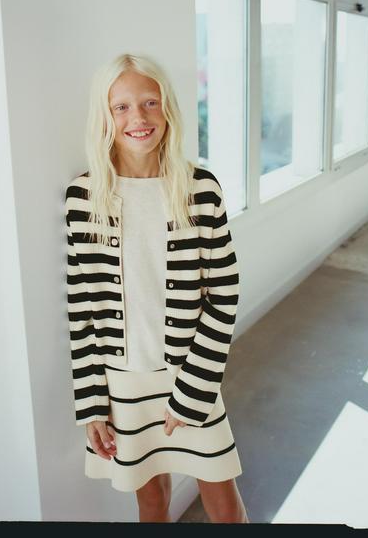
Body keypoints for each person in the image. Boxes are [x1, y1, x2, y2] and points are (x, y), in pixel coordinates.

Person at [65, 53, 249, 523]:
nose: (138, 118)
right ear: (104, 116)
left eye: (150, 102)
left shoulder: (200, 190)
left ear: (167, 108)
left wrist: (192, 390)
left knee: (223, 502)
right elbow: (81, 311)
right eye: (121, 107)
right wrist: (91, 405)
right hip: (122, 382)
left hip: (190, 376)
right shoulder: (83, 198)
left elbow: (223, 298)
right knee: (150, 500)